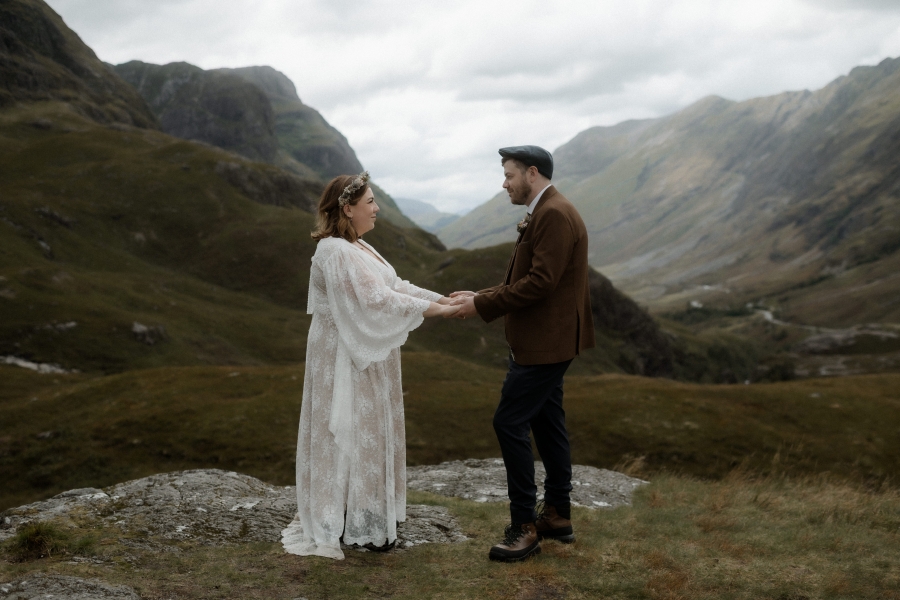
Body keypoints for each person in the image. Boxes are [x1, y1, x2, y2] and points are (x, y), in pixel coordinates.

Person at [281, 171, 459, 559]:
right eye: (370, 202)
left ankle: (362, 511)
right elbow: (376, 301)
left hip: (361, 352)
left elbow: (397, 287)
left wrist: (444, 301)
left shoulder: (358, 247)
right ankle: (342, 517)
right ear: (348, 208)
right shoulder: (335, 250)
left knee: (368, 427)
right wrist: (439, 313)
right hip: (343, 355)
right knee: (345, 428)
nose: (377, 209)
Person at [450, 145, 595, 562]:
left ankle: (524, 527)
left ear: (532, 173)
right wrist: (481, 295)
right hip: (547, 339)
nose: (504, 183)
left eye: (509, 175)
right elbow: (534, 277)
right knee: (548, 423)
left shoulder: (552, 213)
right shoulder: (549, 208)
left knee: (509, 422)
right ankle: (557, 515)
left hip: (546, 344)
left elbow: (540, 283)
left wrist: (481, 305)